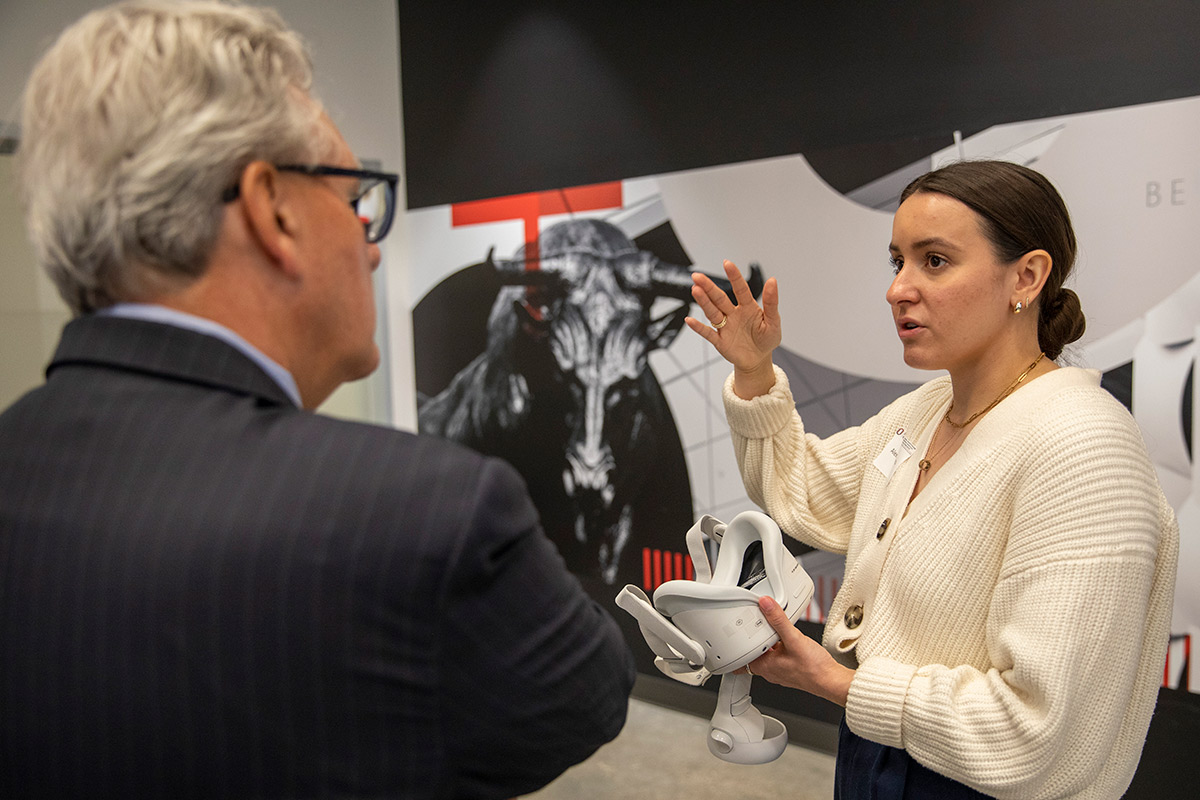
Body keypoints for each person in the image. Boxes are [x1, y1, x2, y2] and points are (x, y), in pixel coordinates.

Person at [0, 2, 634, 798]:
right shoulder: (428, 514)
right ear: (271, 209)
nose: (371, 248)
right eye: (355, 194)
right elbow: (586, 697)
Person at [686, 160, 1178, 799]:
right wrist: (754, 373)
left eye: (935, 261)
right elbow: (803, 491)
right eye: (898, 262)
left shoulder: (1083, 446)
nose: (898, 289)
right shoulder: (924, 413)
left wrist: (835, 682)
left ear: (1026, 276)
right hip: (877, 752)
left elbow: (1034, 731)